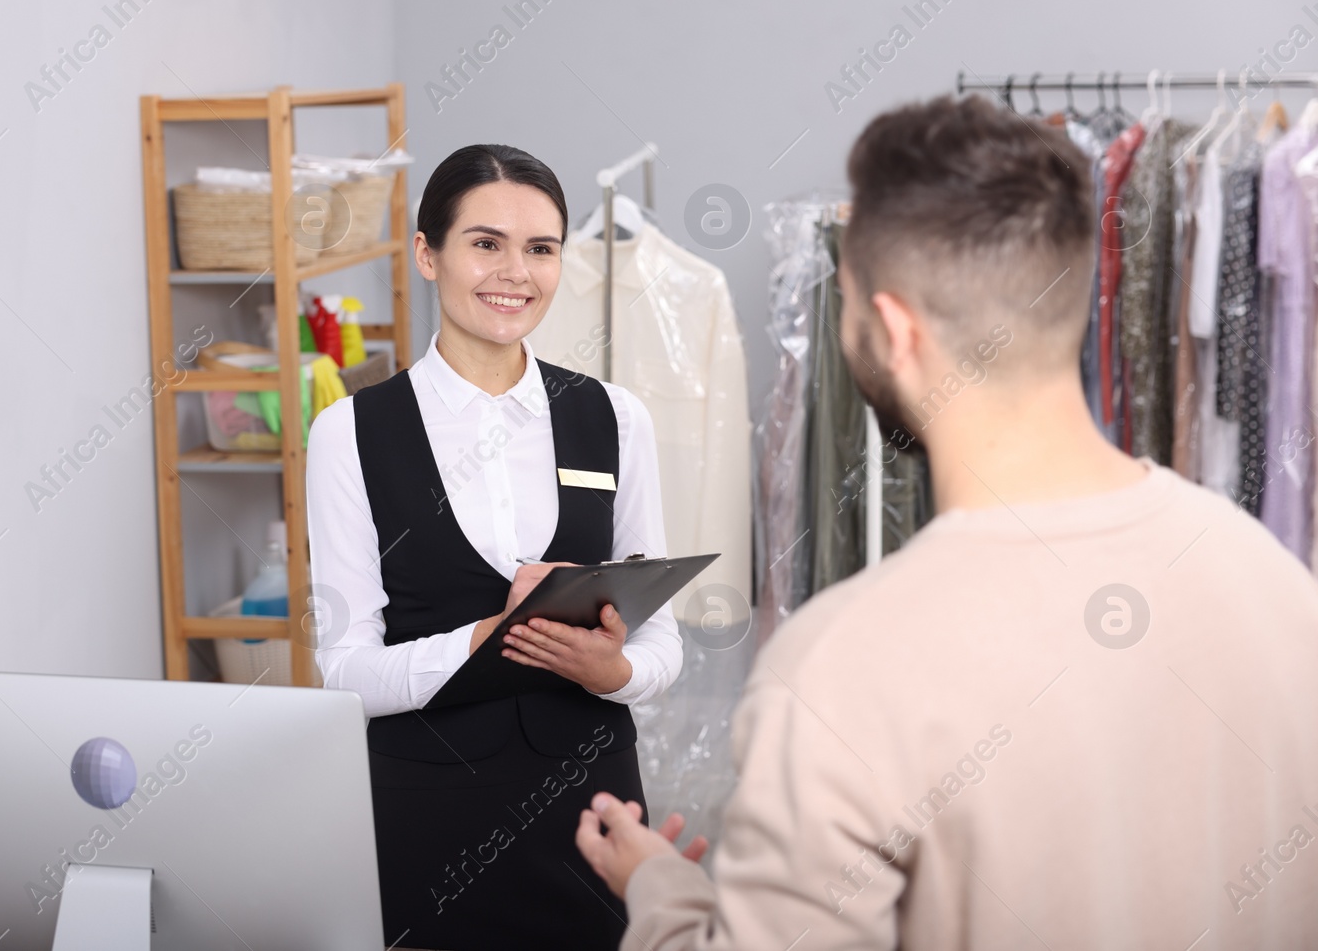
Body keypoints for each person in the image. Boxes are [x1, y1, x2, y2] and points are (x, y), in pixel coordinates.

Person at [575, 95, 1318, 948]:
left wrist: (664, 895)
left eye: (846, 300)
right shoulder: (1277, 586)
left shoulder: (838, 674)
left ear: (891, 328)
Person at [306, 143, 683, 950]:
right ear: (426, 254)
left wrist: (612, 670)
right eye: (485, 243)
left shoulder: (616, 418)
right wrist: (488, 640)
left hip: (593, 807)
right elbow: (341, 671)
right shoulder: (350, 434)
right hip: (427, 807)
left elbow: (661, 645)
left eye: (540, 248)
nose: (515, 271)